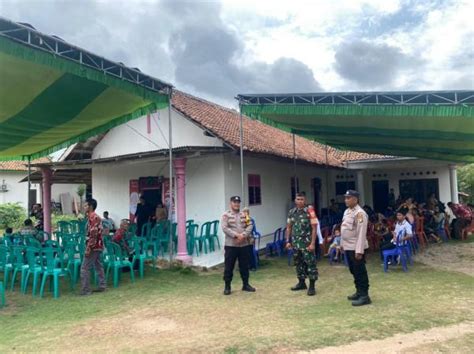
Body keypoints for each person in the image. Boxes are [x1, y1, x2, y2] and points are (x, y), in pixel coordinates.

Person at [341, 190, 370, 306]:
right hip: (348, 246)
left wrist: (359, 251)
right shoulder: (347, 212)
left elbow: (361, 233)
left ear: (355, 199)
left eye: (349, 198)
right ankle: (358, 291)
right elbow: (344, 229)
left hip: (356, 247)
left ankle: (364, 295)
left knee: (360, 271)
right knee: (353, 270)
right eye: (345, 198)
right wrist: (342, 244)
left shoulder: (359, 213)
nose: (346, 200)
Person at [285, 192, 318, 296]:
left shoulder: (310, 211)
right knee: (298, 263)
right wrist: (288, 241)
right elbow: (289, 227)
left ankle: (312, 286)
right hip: (295, 243)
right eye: (298, 199)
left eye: (302, 199)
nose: (300, 201)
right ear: (295, 200)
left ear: (305, 200)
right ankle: (301, 283)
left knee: (310, 264)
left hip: (307, 244)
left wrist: (312, 243)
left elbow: (314, 228)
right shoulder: (292, 212)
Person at [221, 196, 255, 295]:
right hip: (231, 245)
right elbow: (224, 228)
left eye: (238, 202)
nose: (236, 204)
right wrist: (236, 235)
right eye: (234, 202)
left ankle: (246, 284)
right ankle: (227, 286)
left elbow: (250, 225)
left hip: (243, 245)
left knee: (244, 265)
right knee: (229, 266)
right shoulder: (226, 215)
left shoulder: (244, 214)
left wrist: (243, 235)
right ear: (231, 203)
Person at [80, 198, 106, 295]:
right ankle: (102, 285)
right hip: (97, 245)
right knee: (98, 266)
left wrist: (88, 248)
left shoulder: (93, 217)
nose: (84, 207)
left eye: (86, 205)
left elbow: (93, 234)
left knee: (84, 268)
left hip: (94, 246)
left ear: (90, 206)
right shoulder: (93, 217)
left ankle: (85, 289)